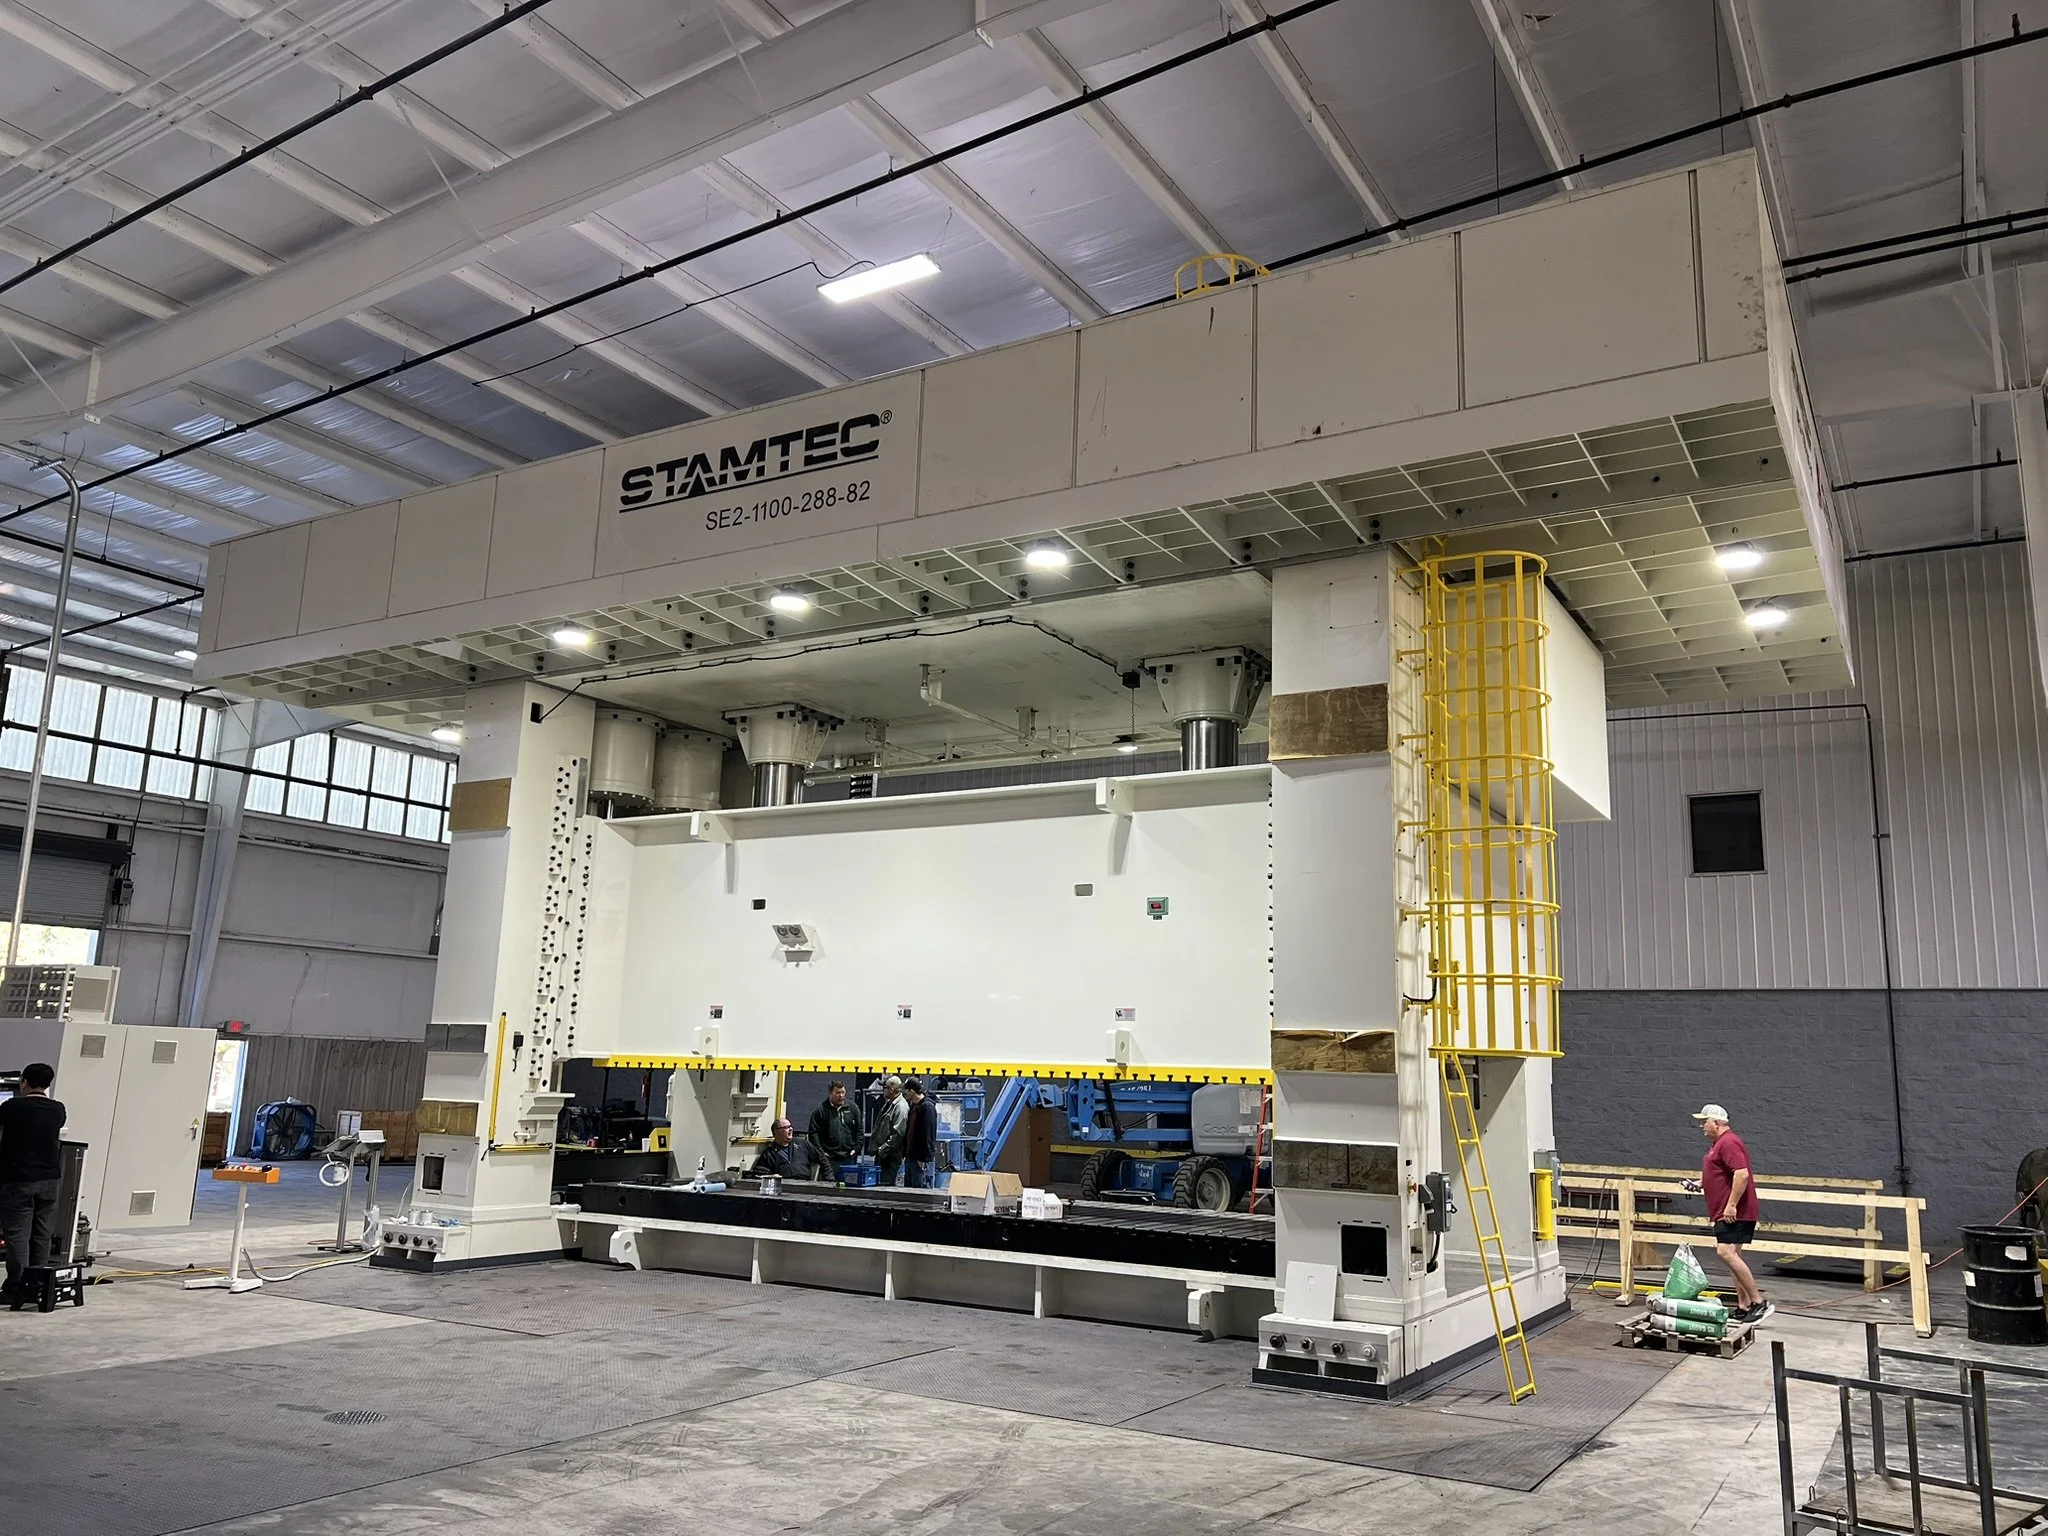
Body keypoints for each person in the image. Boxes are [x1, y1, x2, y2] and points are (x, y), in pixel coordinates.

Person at [1690, 1103, 1770, 1324]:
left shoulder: (1729, 1143)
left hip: (1734, 1212)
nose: (1701, 1126)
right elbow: (1721, 1175)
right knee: (1733, 1255)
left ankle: (1757, 1301)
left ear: (1716, 1122)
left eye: (1704, 1121)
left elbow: (1741, 1175)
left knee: (1725, 1252)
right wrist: (1699, 1184)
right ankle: (1744, 1306)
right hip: (1725, 1210)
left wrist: (1732, 1205)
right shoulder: (1718, 1144)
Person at [0, 1062, 66, 1302]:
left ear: (24, 1082)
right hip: (49, 1180)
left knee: (18, 1235)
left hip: (19, 1180)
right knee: (41, 1235)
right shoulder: (58, 1109)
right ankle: (39, 1283)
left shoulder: (12, 1107)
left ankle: (16, 1286)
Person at [806, 1081, 862, 1177]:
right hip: (829, 1158)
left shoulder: (853, 1108)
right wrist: (821, 1153)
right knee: (829, 1187)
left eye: (843, 1092)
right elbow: (813, 1133)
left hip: (848, 1157)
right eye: (837, 1093)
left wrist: (856, 1149)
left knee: (849, 1188)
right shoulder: (821, 1110)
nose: (841, 1096)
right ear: (830, 1093)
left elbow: (859, 1130)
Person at [749, 1118, 826, 1181]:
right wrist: (771, 1176)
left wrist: (830, 1180)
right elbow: (760, 1173)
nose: (790, 1129)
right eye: (786, 1127)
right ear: (776, 1132)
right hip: (782, 1185)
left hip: (804, 1183)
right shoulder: (769, 1152)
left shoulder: (802, 1144)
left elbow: (822, 1159)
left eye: (790, 1126)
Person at [868, 1074, 908, 1186]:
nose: (882, 1090)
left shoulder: (900, 1107)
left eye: (884, 1087)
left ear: (891, 1089)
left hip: (890, 1158)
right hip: (884, 1156)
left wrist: (882, 1149)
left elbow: (898, 1134)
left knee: (886, 1187)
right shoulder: (890, 1104)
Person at [902, 1079, 938, 1189]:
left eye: (906, 1091)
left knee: (920, 1192)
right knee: (909, 1191)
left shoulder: (927, 1107)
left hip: (920, 1160)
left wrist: (924, 1159)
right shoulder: (914, 1107)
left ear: (912, 1092)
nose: (905, 1094)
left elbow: (928, 1134)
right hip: (911, 1157)